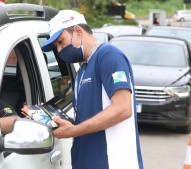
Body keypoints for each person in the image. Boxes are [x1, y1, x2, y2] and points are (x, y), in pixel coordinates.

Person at [41, 10, 143, 169]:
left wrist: (74, 130)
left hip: (111, 162)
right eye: (56, 46)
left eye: (61, 42)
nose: (59, 50)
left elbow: (123, 108)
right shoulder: (83, 69)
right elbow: (91, 113)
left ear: (78, 31)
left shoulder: (110, 56)